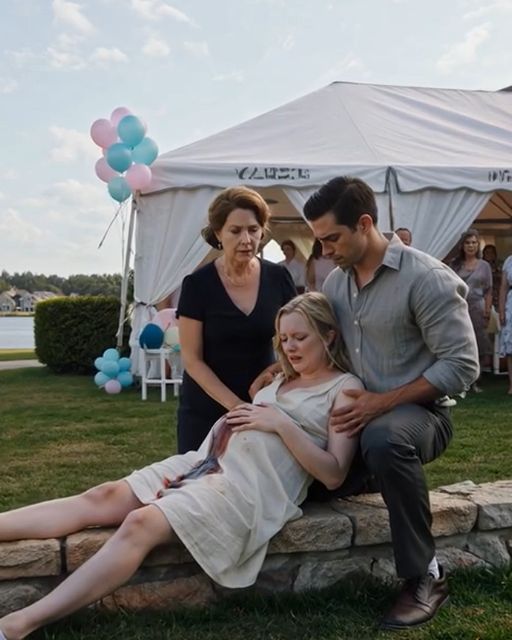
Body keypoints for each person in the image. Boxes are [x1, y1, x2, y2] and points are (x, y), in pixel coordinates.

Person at [0, 293, 363, 640]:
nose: (290, 347)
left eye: (300, 338)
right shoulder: (281, 377)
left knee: (140, 523)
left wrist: (282, 425)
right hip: (204, 462)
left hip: (244, 490)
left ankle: (17, 625)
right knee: (102, 495)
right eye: (283, 339)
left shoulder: (344, 389)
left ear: (329, 335)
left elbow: (333, 474)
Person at [267, 176, 476, 631]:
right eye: (319, 241)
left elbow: (462, 365)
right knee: (292, 451)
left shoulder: (427, 279)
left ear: (364, 224)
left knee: (383, 440)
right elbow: (316, 336)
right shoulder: (336, 284)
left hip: (420, 415)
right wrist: (280, 369)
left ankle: (425, 576)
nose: (324, 251)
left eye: (332, 239)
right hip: (353, 413)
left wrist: (383, 403)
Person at [177, 186, 296, 453]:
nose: (246, 239)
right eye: (235, 231)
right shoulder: (197, 285)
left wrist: (275, 371)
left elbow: (299, 339)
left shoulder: (279, 278)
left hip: (263, 405)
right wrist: (236, 406)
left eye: (253, 230)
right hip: (205, 410)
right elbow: (192, 359)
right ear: (218, 233)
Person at [450, 229, 493, 387]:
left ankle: (476, 380)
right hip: (458, 307)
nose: (471, 246)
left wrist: (487, 312)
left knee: (478, 344)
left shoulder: (484, 266)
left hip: (477, 308)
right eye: (468, 243)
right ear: (462, 245)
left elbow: (488, 290)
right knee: (461, 343)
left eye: (474, 242)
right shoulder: (455, 264)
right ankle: (461, 380)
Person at [498, 253, 512, 394]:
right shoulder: (509, 260)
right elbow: (503, 287)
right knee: (510, 346)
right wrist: (501, 311)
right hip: (511, 304)